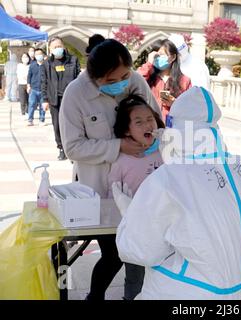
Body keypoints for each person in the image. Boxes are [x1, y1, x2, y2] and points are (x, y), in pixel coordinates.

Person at [114, 86, 241, 299]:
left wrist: (130, 214)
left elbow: (140, 250)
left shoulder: (168, 178)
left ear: (174, 128)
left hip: (190, 292)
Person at [59, 38, 160, 300]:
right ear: (95, 78)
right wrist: (118, 147)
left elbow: (155, 121)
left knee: (138, 249)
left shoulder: (135, 81)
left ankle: (133, 295)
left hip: (139, 188)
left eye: (125, 75)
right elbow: (73, 147)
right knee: (114, 253)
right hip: (100, 190)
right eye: (111, 80)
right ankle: (96, 296)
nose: (121, 83)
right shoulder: (76, 93)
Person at [108, 94, 164, 300]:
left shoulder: (166, 152)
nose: (147, 125)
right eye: (138, 122)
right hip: (135, 229)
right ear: (126, 130)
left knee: (163, 272)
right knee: (135, 276)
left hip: (164, 225)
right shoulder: (121, 161)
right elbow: (112, 194)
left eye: (150, 119)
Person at [41, 37, 81, 160]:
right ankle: (62, 148)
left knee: (72, 124)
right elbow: (44, 81)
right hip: (54, 99)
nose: (58, 49)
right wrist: (45, 100)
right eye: (55, 47)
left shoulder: (73, 60)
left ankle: (74, 149)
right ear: (50, 49)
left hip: (70, 98)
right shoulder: (47, 63)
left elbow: (78, 79)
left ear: (63, 47)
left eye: (59, 46)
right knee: (57, 125)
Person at [137, 39, 191, 123]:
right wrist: (149, 63)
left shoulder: (184, 81)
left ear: (172, 57)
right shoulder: (148, 76)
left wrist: (175, 103)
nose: (157, 58)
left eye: (161, 55)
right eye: (155, 56)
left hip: (174, 128)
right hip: (150, 126)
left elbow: (190, 108)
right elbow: (136, 81)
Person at [27, 49, 46, 126]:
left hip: (43, 89)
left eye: (40, 54)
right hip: (33, 88)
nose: (39, 56)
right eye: (37, 54)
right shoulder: (32, 65)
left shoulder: (46, 65)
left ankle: (42, 120)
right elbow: (29, 76)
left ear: (43, 55)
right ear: (35, 56)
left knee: (42, 105)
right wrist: (28, 85)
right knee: (31, 104)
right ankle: (30, 120)